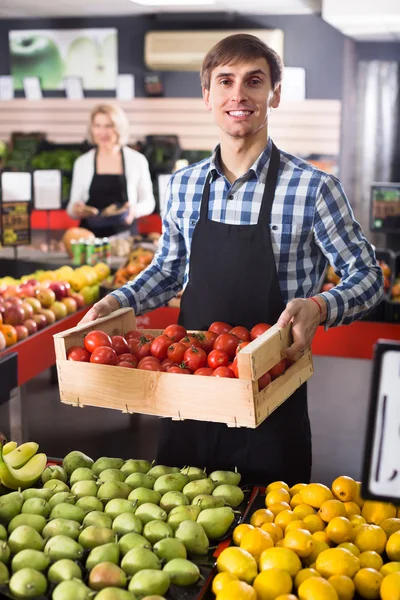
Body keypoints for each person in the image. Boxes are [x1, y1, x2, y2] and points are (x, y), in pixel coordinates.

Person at [80, 34, 384, 486]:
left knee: (269, 537)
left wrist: (320, 307)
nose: (238, 95)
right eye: (225, 81)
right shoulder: (183, 185)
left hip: (272, 393)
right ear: (207, 95)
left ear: (274, 94)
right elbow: (167, 269)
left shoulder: (315, 188)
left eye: (254, 81)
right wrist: (117, 301)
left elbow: (368, 277)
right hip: (188, 385)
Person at [66, 104, 155, 238]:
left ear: (120, 128)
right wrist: (76, 209)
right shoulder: (82, 162)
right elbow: (71, 209)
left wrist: (133, 211)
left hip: (125, 238)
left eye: (109, 126)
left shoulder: (137, 160)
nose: (103, 132)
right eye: (97, 126)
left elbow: (149, 202)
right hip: (89, 240)